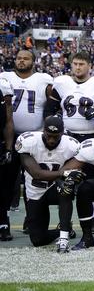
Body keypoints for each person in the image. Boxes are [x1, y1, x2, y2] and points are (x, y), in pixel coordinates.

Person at [0, 49, 55, 241]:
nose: (21, 61)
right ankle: (3, 220)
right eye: (19, 58)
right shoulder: (4, 77)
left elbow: (54, 102)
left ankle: (30, 218)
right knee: (6, 181)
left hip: (35, 138)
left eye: (26, 58)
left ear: (34, 61)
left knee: (34, 180)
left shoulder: (43, 79)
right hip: (10, 137)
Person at [52, 50, 94, 234]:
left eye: (82, 64)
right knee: (65, 179)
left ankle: (93, 219)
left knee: (92, 180)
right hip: (68, 137)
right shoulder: (61, 83)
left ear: (90, 66)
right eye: (75, 63)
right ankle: (64, 222)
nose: (78, 67)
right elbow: (51, 106)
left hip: (92, 136)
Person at [15, 116, 81, 251]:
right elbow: (36, 174)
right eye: (49, 135)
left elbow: (75, 172)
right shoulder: (29, 141)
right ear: (43, 131)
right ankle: (64, 230)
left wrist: (66, 177)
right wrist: (63, 173)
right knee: (37, 240)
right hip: (35, 192)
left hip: (55, 189)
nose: (51, 140)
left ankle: (64, 236)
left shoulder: (72, 145)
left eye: (55, 137)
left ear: (62, 133)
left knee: (67, 187)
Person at [0, 77, 14, 241]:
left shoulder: (2, 86)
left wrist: (9, 148)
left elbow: (8, 121)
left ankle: (3, 223)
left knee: (3, 187)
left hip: (0, 143)